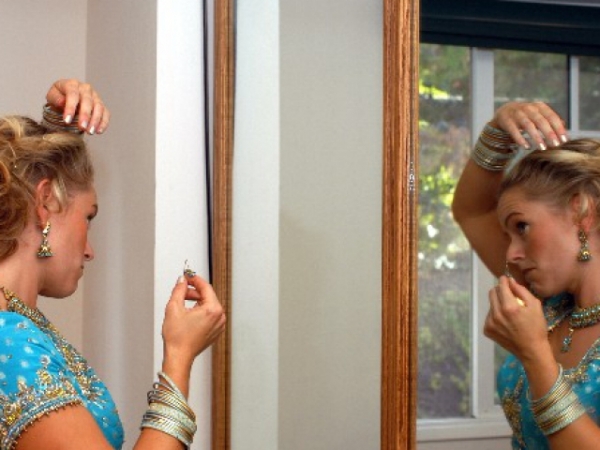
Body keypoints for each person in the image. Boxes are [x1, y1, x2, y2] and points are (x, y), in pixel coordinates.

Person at [0, 79, 226, 449]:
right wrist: (179, 356)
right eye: (88, 217)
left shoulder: (20, 323)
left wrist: (58, 130)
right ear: (44, 203)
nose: (90, 250)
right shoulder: (7, 341)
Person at [452, 101, 600, 449]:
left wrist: (534, 353)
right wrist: (497, 133)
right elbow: (472, 211)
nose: (511, 254)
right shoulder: (549, 305)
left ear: (582, 211)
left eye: (522, 227)